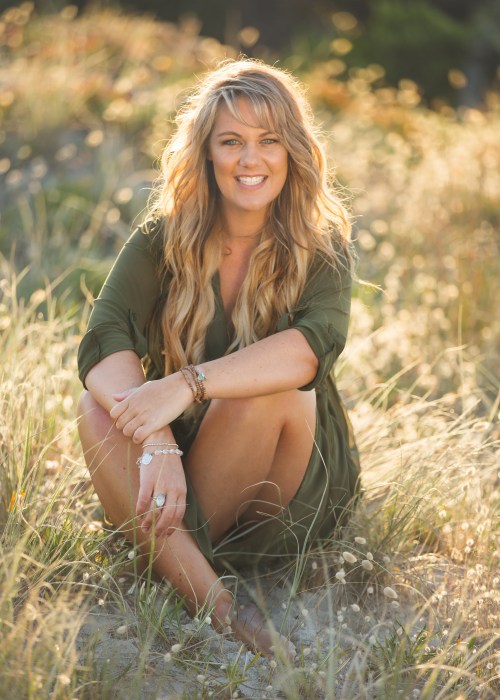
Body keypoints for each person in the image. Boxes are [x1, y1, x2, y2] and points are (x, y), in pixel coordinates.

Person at [77, 58, 360, 658]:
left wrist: (188, 383)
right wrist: (156, 438)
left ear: (295, 152)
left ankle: (164, 553)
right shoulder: (165, 236)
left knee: (269, 388)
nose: (249, 160)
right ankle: (223, 608)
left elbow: (310, 352)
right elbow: (104, 338)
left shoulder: (321, 245)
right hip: (178, 461)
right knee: (95, 408)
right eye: (231, 142)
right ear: (206, 153)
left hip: (283, 480)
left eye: (268, 142)